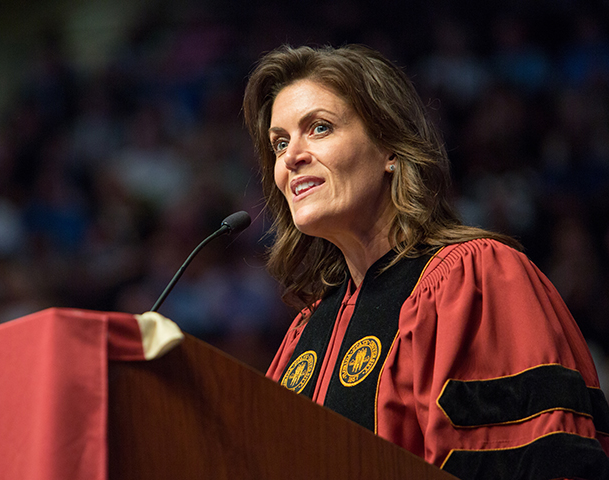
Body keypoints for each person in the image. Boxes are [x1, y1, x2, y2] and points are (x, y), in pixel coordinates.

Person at [243, 44, 609, 479]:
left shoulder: (474, 280)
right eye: (279, 142)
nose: (290, 157)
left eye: (319, 128)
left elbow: (527, 461)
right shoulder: (306, 332)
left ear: (390, 150)